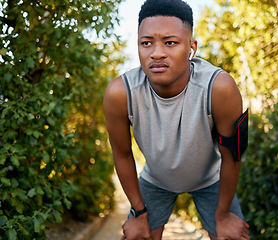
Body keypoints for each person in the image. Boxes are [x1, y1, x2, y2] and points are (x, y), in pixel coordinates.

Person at [103, 0, 250, 239]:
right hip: (155, 180)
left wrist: (223, 215)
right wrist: (138, 212)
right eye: (146, 43)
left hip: (211, 179)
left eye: (170, 43)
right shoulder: (120, 93)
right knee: (136, 236)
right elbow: (122, 154)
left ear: (191, 48)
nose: (157, 53)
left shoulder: (219, 87)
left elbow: (232, 156)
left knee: (231, 236)